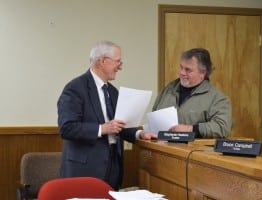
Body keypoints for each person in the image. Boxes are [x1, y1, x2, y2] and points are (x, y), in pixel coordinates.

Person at [57, 40, 156, 190]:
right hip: (84, 170)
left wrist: (139, 133)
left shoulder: (113, 92)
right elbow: (67, 128)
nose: (120, 67)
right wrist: (102, 129)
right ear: (102, 61)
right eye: (118, 62)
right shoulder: (75, 88)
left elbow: (118, 126)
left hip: (113, 168)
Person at [152, 48, 232, 138]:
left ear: (202, 73)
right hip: (160, 148)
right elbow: (154, 116)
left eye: (188, 70)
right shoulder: (168, 90)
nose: (182, 73)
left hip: (189, 150)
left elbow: (222, 128)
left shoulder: (217, 98)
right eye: (181, 67)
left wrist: (191, 129)